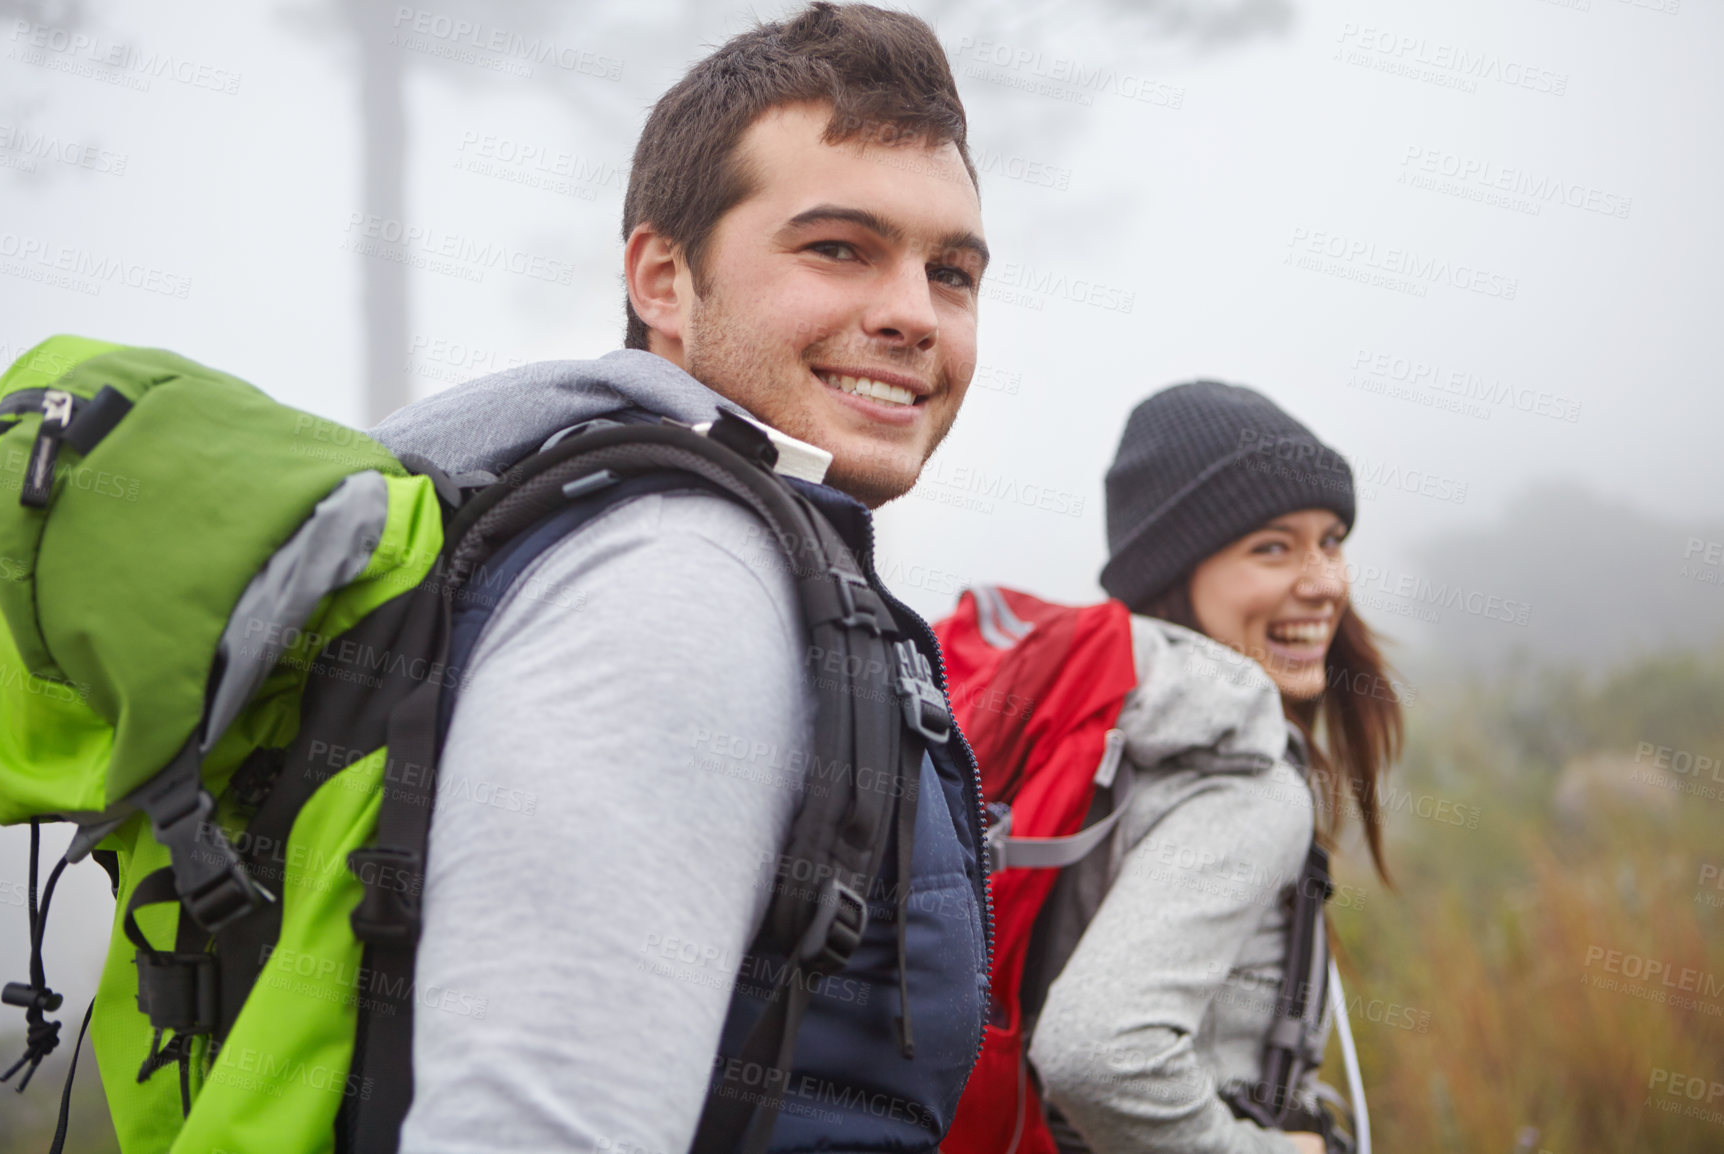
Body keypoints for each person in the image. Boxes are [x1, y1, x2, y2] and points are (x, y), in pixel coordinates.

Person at [369, 5, 992, 1151]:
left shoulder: (662, 534)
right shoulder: (681, 575)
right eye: (839, 247)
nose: (913, 313)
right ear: (663, 278)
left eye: (950, 272)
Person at [1026, 381, 1403, 1153]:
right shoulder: (1244, 785)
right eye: (1272, 547)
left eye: (1330, 540)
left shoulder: (1109, 742)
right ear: (1174, 572)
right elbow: (1095, 1056)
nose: (1326, 581)